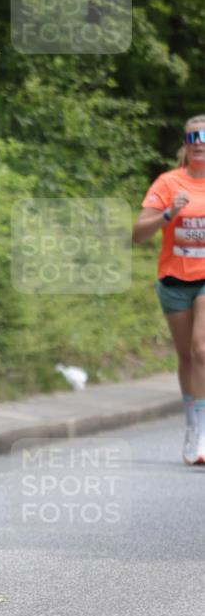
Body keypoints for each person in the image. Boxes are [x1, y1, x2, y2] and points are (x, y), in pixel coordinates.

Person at [131, 114, 205, 465]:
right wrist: (166, 215)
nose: (200, 142)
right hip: (175, 281)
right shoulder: (168, 183)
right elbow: (138, 233)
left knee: (201, 349)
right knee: (187, 357)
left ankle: (203, 433)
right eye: (194, 137)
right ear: (185, 144)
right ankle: (191, 427)